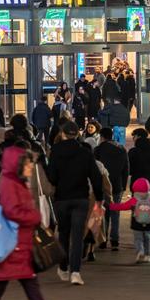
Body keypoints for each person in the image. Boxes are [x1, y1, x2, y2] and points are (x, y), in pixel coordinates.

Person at [0, 147, 52, 300]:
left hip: (14, 248)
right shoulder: (11, 185)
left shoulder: (13, 182)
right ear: (18, 165)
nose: (30, 168)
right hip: (12, 248)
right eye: (28, 164)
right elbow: (12, 212)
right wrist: (34, 217)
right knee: (23, 288)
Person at [46, 121, 103, 286]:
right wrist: (99, 198)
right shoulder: (85, 152)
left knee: (63, 234)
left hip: (62, 199)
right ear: (77, 134)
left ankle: (63, 268)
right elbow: (96, 176)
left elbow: (52, 177)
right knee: (78, 236)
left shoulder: (55, 152)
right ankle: (76, 272)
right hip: (81, 198)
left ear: (63, 134)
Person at [94, 127, 128, 251]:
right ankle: (115, 240)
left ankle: (103, 240)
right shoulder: (121, 149)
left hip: (103, 186)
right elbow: (126, 169)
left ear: (102, 137)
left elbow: (95, 168)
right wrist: (123, 185)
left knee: (103, 213)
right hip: (117, 185)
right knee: (115, 213)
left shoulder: (98, 150)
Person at [109, 177, 150, 263]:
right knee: (147, 238)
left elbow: (123, 206)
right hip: (149, 224)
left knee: (138, 238)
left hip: (137, 223)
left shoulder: (134, 200)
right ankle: (147, 255)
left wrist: (111, 206)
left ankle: (140, 250)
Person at [128, 129, 150, 194]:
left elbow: (129, 168)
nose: (133, 138)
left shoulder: (133, 151)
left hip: (136, 182)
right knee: (148, 201)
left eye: (134, 136)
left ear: (139, 137)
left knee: (136, 202)